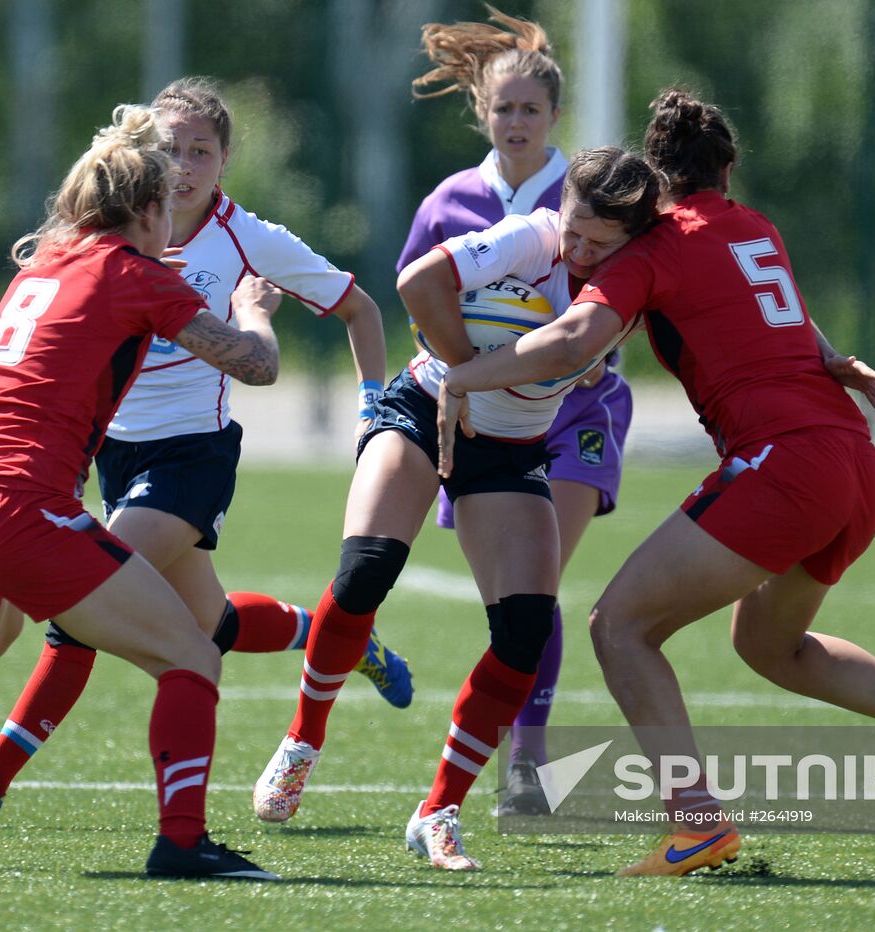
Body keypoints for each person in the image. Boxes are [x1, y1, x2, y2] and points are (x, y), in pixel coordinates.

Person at [436, 86, 875, 878]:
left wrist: (464, 376)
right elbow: (774, 314)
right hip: (851, 459)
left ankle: (697, 823)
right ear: (727, 171)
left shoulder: (655, 247)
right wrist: (829, 357)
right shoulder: (756, 226)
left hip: (784, 465)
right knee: (767, 645)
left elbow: (574, 341)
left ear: (652, 184)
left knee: (619, 626)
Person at [0, 76, 412, 831]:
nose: (183, 166)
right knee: (213, 625)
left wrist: (373, 408)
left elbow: (359, 307)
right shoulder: (110, 228)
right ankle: (340, 637)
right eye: (169, 149)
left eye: (201, 151)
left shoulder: (249, 239)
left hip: (188, 456)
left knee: (76, 611)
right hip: (114, 456)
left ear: (224, 162)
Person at [0, 105, 282, 879]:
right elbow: (256, 366)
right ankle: (182, 843)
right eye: (163, 207)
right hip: (21, 511)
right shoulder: (135, 273)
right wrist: (253, 314)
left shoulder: (41, 268)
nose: (170, 225)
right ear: (145, 211)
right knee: (190, 655)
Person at [252, 146, 660, 871]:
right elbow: (418, 282)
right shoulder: (532, 235)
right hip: (423, 407)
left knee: (525, 632)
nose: (578, 252)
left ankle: (437, 811)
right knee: (365, 572)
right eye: (574, 232)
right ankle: (303, 739)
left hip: (511, 450)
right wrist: (465, 375)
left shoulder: (637, 279)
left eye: (599, 244)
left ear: (631, 240)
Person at [396, 5, 632, 815]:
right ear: (482, 112)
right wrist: (463, 376)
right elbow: (418, 297)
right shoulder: (450, 201)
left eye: (532, 107)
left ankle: (527, 759)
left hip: (577, 410)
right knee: (509, 599)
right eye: (504, 107)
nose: (517, 121)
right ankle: (506, 756)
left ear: (556, 115)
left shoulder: (589, 195)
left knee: (540, 582)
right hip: (473, 415)